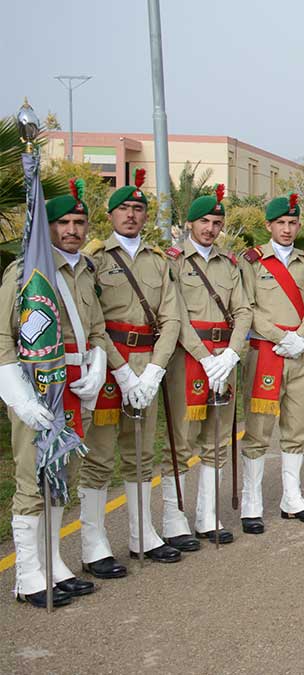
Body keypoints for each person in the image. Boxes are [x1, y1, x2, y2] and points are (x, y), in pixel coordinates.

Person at [1, 181, 108, 606]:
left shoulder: (85, 269)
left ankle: (53, 563)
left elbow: (95, 328)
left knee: (64, 477)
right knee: (32, 479)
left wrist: (97, 366)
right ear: (46, 227)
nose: (72, 229)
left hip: (75, 388)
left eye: (79, 222)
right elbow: (3, 335)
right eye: (62, 222)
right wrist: (18, 397)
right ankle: (28, 576)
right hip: (37, 388)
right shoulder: (25, 271)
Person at [80, 169, 185, 568]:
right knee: (101, 454)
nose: (131, 215)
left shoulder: (159, 261)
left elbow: (171, 318)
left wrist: (154, 370)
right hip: (108, 364)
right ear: (110, 215)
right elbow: (94, 322)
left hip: (148, 364)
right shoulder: (94, 260)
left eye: (138, 209)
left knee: (141, 454)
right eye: (123, 208)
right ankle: (93, 544)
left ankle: (144, 535)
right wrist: (123, 372)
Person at [163, 185, 251, 545]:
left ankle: (207, 516)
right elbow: (175, 314)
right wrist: (204, 356)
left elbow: (244, 310)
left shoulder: (229, 263)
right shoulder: (173, 261)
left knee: (217, 438)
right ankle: (173, 519)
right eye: (204, 221)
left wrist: (231, 353)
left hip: (224, 356)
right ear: (189, 223)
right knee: (182, 440)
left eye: (217, 222)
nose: (210, 228)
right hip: (189, 357)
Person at [240, 193, 304, 532]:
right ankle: (251, 503)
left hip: (300, 353)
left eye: (292, 223)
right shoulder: (252, 261)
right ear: (268, 226)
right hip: (266, 354)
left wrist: (300, 337)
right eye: (281, 223)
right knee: (258, 431)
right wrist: (281, 338)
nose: (287, 229)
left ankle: (292, 498)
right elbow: (247, 307)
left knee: (296, 427)